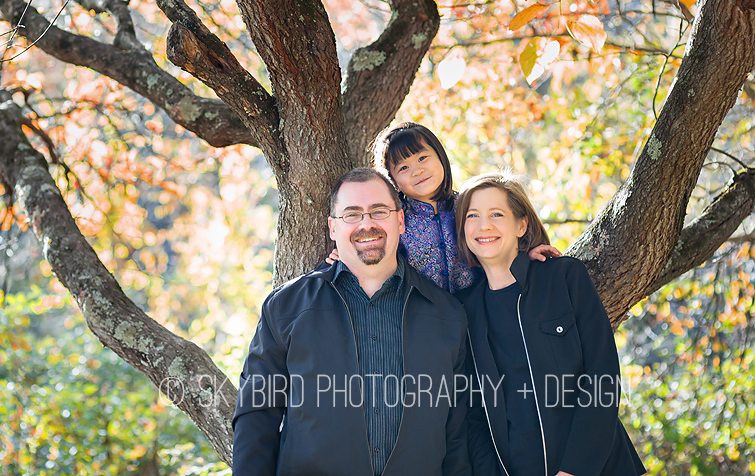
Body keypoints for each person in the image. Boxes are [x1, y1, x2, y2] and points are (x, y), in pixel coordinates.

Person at [233, 168, 472, 476]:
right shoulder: (285, 308)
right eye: (352, 214)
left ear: (400, 220)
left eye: (379, 211)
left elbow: (456, 433)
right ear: (333, 228)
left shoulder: (447, 315)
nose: (367, 224)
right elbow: (257, 414)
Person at [453, 172, 646, 476]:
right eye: (472, 215)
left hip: (600, 467)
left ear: (521, 224)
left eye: (496, 214)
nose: (483, 225)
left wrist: (574, 470)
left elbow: (602, 377)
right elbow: (475, 416)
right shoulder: (465, 309)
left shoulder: (563, 277)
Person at [329, 122, 560, 292]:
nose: (417, 171)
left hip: (482, 305)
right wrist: (347, 254)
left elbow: (501, 233)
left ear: (439, 156)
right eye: (403, 168)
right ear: (393, 181)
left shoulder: (469, 205)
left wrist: (527, 254)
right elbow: (375, 249)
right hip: (426, 319)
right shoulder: (396, 220)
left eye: (422, 158)